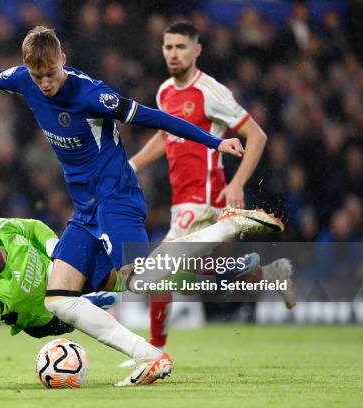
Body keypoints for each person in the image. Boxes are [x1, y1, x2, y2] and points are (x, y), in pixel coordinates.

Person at [0, 25, 255, 386]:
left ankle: (228, 225)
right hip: (86, 209)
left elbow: (155, 117)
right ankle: (150, 357)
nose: (45, 83)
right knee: (58, 298)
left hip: (116, 196)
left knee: (141, 280)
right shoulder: (23, 79)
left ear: (63, 61)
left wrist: (214, 142)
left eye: (51, 73)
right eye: (38, 76)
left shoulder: (93, 95)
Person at [0, 211, 285, 386]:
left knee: (136, 277)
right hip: (47, 321)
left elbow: (31, 227)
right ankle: (236, 261)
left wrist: (55, 249)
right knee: (138, 278)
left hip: (65, 278)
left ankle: (227, 237)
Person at [127, 21, 296, 355]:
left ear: (197, 50)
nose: (174, 54)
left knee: (154, 274)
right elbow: (166, 135)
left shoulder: (210, 92)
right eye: (168, 47)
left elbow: (257, 135)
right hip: (183, 200)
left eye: (181, 47)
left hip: (206, 199)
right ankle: (268, 273)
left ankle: (152, 355)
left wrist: (237, 183)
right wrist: (132, 165)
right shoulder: (164, 92)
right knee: (209, 275)